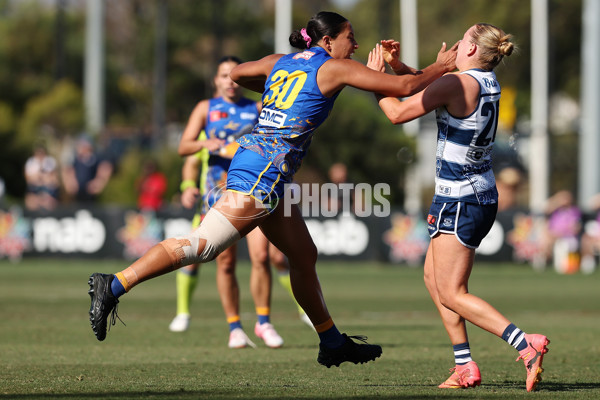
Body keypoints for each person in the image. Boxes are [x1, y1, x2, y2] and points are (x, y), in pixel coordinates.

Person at [88, 11, 457, 367]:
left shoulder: (283, 61)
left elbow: (236, 73)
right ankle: (115, 284)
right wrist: (443, 65)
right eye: (350, 37)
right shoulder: (334, 67)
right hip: (265, 170)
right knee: (204, 245)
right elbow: (406, 88)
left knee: (303, 254)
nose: (356, 44)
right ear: (328, 41)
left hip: (258, 162)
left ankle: (331, 342)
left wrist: (275, 89)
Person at [367, 24, 549, 391]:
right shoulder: (482, 79)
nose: (456, 42)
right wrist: (401, 67)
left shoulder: (456, 83)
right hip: (476, 193)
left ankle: (524, 342)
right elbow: (427, 84)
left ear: (469, 49)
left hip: (460, 198)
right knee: (434, 279)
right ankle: (464, 365)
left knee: (452, 291)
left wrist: (375, 79)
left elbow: (398, 112)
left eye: (463, 39)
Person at [62, 136, 113, 204]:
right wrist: (70, 182)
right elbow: (68, 170)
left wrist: (99, 182)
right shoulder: (75, 158)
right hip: (77, 195)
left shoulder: (96, 157)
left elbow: (105, 167)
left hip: (92, 195)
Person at [24, 144, 60, 211]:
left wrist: (41, 178)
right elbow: (29, 180)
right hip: (34, 190)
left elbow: (54, 180)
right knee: (31, 202)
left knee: (49, 202)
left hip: (48, 190)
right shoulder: (30, 162)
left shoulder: (51, 161)